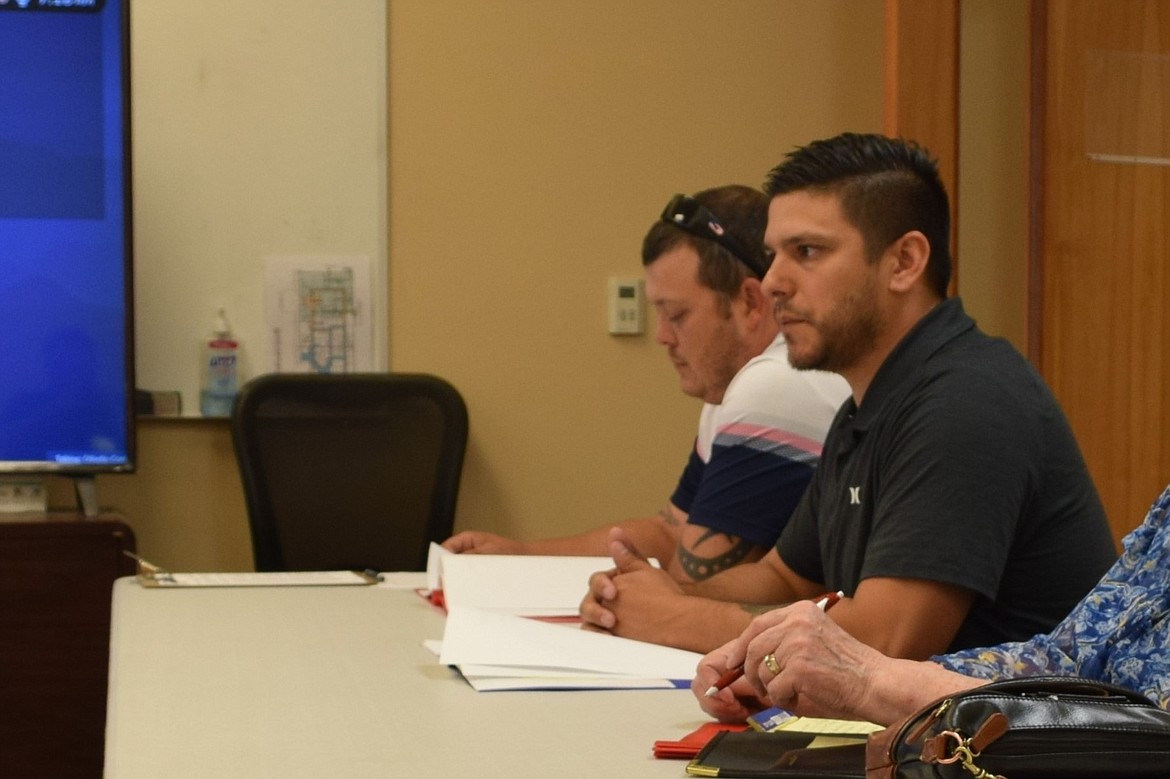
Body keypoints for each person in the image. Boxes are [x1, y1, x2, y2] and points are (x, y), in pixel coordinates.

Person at [580, 132, 1117, 655]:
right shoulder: (869, 404)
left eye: (807, 251)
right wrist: (656, 596)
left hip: (1019, 741)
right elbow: (784, 578)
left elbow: (886, 640)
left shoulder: (967, 401)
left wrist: (677, 617)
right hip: (930, 734)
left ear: (904, 262)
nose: (772, 282)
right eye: (773, 255)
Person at [442, 185, 849, 584]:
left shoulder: (776, 384)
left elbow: (694, 588)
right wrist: (521, 557)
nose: (661, 337)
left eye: (677, 315)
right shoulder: (735, 388)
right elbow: (671, 533)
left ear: (750, 302)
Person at [694, 481, 1170, 724]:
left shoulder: (965, 402)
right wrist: (808, 671)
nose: (771, 283)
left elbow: (1148, 732)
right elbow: (1065, 658)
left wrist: (873, 682)